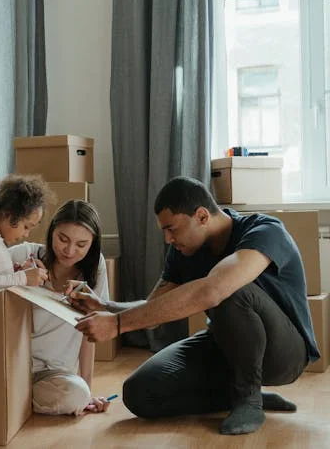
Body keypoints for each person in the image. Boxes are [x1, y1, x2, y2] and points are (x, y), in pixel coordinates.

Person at [73, 176, 318, 435]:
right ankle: (237, 395)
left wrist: (118, 325)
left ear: (202, 216)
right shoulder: (183, 250)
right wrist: (106, 307)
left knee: (228, 289)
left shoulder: (265, 231)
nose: (168, 239)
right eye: (164, 231)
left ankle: (249, 398)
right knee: (139, 393)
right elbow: (154, 309)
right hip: (225, 345)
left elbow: (214, 290)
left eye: (172, 229)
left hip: (284, 354)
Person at [0, 199, 113, 415]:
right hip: (12, 365)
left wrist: (88, 390)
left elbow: (90, 332)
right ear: (51, 232)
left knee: (77, 395)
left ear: (92, 244)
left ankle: (9, 399)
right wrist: (17, 274)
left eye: (81, 245)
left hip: (54, 375)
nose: (69, 250)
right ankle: (10, 397)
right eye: (62, 239)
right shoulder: (27, 254)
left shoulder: (96, 269)